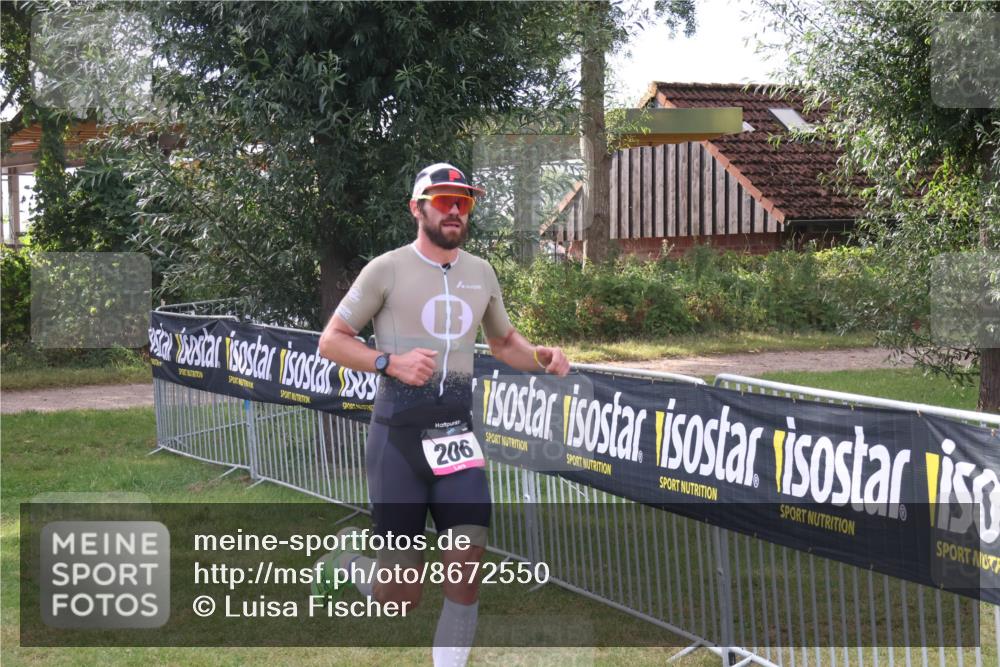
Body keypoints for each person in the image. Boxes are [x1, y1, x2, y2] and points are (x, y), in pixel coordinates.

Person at [317, 162, 570, 666]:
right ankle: (347, 561)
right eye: (443, 200)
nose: (455, 210)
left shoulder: (481, 272)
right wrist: (388, 362)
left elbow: (503, 342)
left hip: (457, 441)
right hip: (399, 443)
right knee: (399, 597)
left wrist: (540, 358)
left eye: (464, 202)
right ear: (417, 208)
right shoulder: (386, 269)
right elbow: (332, 341)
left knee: (466, 571)